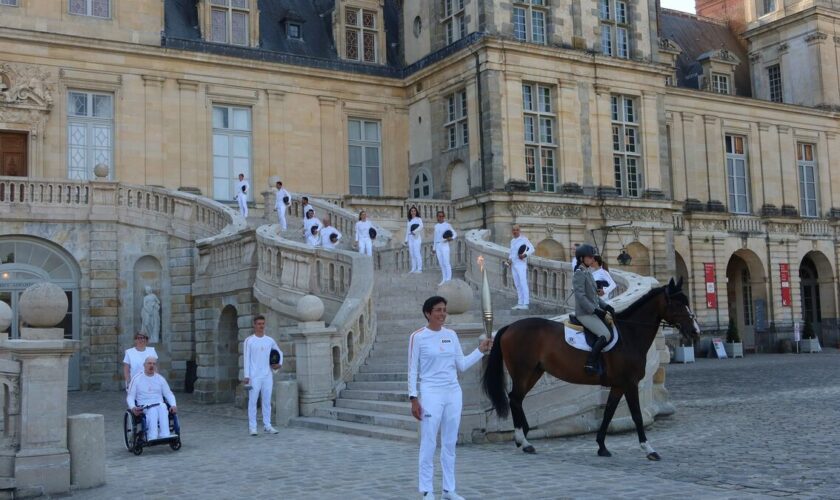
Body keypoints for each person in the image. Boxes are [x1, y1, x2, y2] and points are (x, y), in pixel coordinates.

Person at [408, 296, 493, 500]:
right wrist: (413, 398)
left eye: (444, 310)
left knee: (449, 443)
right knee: (429, 442)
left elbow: (461, 365)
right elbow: (412, 369)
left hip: (453, 393)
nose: (442, 314)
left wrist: (480, 351)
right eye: (438, 310)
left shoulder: (451, 335)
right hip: (430, 393)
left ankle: (449, 489)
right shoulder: (418, 337)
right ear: (428, 313)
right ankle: (427, 490)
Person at [573, 244, 616, 374]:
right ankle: (590, 363)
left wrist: (606, 306)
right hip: (584, 313)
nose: (592, 259)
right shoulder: (579, 273)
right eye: (589, 257)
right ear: (582, 258)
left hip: (592, 311)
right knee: (605, 335)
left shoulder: (588, 272)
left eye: (592, 257)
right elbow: (581, 296)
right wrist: (595, 310)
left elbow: (594, 296)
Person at [243, 315, 283, 436]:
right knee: (253, 401)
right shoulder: (249, 341)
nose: (261, 326)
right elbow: (246, 358)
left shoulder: (269, 340)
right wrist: (247, 376)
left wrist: (279, 364)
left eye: (263, 324)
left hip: (267, 376)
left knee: (266, 401)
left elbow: (279, 353)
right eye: (259, 324)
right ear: (254, 325)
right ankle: (253, 427)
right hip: (254, 376)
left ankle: (267, 425)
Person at [126, 356, 177, 441]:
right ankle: (151, 436)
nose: (151, 366)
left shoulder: (160, 379)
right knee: (152, 410)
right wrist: (133, 407)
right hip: (144, 405)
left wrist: (173, 405)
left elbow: (168, 394)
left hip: (159, 404)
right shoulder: (137, 379)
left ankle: (165, 434)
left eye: (154, 364)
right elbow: (130, 396)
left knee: (163, 407)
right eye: (149, 363)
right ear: (144, 365)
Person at [508, 225, 535, 310]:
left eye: (517, 230)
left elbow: (532, 249)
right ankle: (520, 302)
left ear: (519, 231)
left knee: (523, 282)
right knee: (517, 284)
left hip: (521, 264)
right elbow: (512, 252)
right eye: (514, 230)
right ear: (512, 231)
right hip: (514, 264)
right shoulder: (512, 241)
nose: (515, 231)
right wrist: (509, 259)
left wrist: (525, 255)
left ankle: (526, 303)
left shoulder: (524, 239)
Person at [432, 211, 457, 286]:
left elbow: (455, 233)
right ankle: (444, 279)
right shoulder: (436, 226)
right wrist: (434, 248)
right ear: (437, 217)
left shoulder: (447, 225)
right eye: (439, 216)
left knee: (446, 263)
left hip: (445, 245)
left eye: (442, 216)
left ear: (444, 217)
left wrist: (451, 238)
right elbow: (435, 238)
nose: (441, 217)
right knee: (441, 263)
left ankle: (448, 280)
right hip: (438, 245)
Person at [405, 205, 424, 274]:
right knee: (412, 254)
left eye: (414, 211)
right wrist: (406, 239)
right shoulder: (409, 221)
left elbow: (421, 226)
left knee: (417, 253)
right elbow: (407, 230)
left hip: (416, 237)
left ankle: (419, 268)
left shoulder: (418, 219)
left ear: (416, 212)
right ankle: (413, 268)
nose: (413, 212)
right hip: (410, 238)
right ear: (410, 212)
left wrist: (414, 231)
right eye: (412, 211)